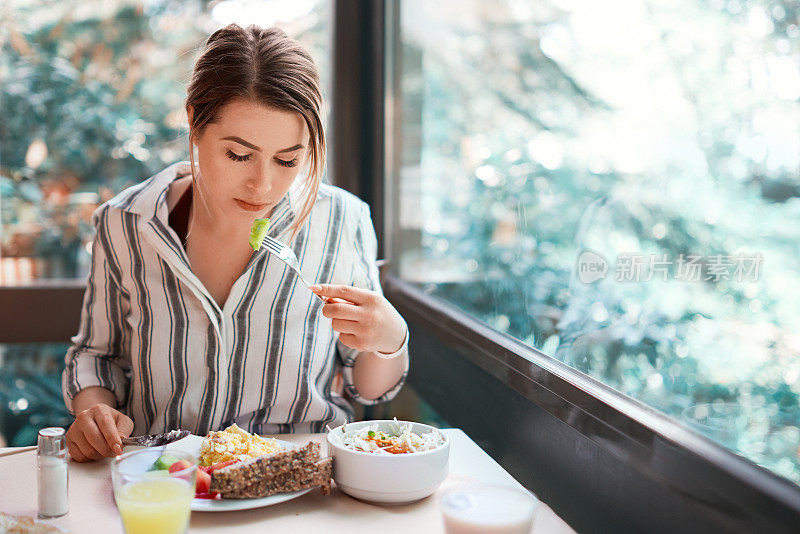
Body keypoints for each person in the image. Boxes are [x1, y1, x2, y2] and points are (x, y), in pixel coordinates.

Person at [61, 24, 409, 462]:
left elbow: (367, 385)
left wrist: (391, 339)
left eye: (288, 160)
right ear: (194, 121)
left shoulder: (341, 220)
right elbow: (97, 354)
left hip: (298, 479)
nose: (262, 185)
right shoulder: (125, 223)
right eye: (239, 155)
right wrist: (96, 413)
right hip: (166, 479)